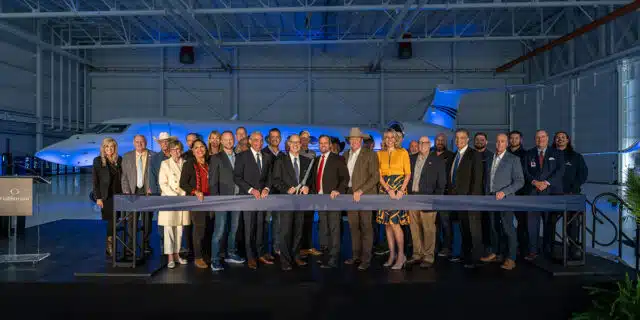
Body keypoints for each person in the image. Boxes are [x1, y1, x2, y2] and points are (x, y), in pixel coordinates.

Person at [479, 133, 524, 270]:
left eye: (502, 141)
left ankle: (511, 258)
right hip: (490, 198)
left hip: (506, 199)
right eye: (497, 141)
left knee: (507, 228)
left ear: (507, 143)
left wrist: (505, 192)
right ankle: (495, 253)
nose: (499, 144)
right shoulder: (489, 158)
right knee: (493, 227)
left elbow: (520, 181)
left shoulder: (513, 159)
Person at [233, 131, 274, 270]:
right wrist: (251, 190)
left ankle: (261, 253)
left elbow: (269, 176)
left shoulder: (267, 157)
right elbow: (237, 177)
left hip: (262, 199)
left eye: (261, 140)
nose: (259, 143)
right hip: (248, 198)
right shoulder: (242, 156)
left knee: (261, 227)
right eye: (256, 140)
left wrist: (267, 188)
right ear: (250, 141)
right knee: (249, 228)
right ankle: (251, 257)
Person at [522, 129, 565, 261]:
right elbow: (525, 171)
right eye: (538, 138)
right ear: (535, 139)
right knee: (532, 224)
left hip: (550, 193)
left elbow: (560, 170)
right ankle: (533, 251)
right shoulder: (529, 154)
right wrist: (535, 182)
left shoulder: (557, 153)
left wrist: (546, 183)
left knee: (549, 223)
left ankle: (548, 251)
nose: (540, 140)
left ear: (547, 138)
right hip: (533, 193)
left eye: (543, 137)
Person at [272, 134, 312, 271]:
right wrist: (286, 190)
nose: (295, 144)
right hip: (286, 200)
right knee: (286, 231)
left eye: (298, 142)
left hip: (301, 202)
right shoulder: (280, 161)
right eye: (292, 142)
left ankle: (296, 256)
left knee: (298, 231)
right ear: (288, 144)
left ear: (301, 144)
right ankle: (285, 260)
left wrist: (308, 187)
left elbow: (310, 181)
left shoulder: (306, 161)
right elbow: (276, 180)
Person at [342, 128, 379, 271]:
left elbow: (375, 176)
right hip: (349, 194)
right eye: (352, 139)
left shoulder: (370, 154)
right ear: (349, 141)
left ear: (361, 141)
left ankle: (366, 259)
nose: (354, 142)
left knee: (366, 227)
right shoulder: (345, 155)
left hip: (366, 194)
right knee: (353, 226)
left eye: (357, 139)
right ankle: (356, 255)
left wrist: (361, 190)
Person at [209, 131, 246, 271]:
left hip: (238, 198)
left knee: (234, 229)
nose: (229, 142)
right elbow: (212, 181)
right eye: (226, 140)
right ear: (221, 142)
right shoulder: (216, 158)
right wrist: (216, 200)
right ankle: (215, 259)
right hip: (222, 199)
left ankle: (231, 253)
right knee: (219, 230)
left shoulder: (239, 157)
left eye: (231, 139)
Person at [310, 135, 349, 268]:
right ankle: (325, 256)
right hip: (320, 199)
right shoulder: (316, 160)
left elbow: (345, 178)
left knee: (334, 229)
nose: (323, 145)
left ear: (330, 144)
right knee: (323, 229)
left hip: (333, 199)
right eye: (321, 143)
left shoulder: (338, 159)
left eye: (325, 143)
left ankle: (333, 258)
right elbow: (313, 179)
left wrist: (338, 190)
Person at [407, 136, 446, 269]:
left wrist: (435, 200)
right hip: (412, 198)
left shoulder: (437, 160)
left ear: (429, 145)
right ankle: (417, 254)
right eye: (420, 142)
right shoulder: (411, 158)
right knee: (414, 228)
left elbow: (441, 184)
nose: (422, 145)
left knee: (428, 229)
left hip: (428, 200)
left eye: (425, 143)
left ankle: (428, 256)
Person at [447, 128, 484, 268]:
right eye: (457, 138)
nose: (458, 140)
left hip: (469, 200)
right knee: (462, 229)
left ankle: (474, 259)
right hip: (455, 201)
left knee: (473, 230)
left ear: (467, 139)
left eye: (462, 138)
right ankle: (464, 256)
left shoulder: (474, 155)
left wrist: (472, 200)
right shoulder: (454, 156)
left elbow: (477, 179)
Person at [377, 128, 411, 270]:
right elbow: (378, 175)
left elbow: (408, 174)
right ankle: (392, 255)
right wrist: (388, 189)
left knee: (395, 223)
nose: (390, 139)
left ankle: (401, 256)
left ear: (396, 139)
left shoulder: (403, 152)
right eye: (387, 137)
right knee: (387, 224)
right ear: (384, 139)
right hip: (385, 189)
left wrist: (400, 190)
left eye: (392, 137)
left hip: (399, 189)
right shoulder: (379, 154)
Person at [553, 131, 588, 259]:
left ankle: (573, 249)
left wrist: (573, 189)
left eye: (563, 137)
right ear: (554, 140)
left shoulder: (576, 157)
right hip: (552, 195)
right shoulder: (549, 155)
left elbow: (583, 174)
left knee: (572, 224)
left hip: (571, 195)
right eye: (558, 138)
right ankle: (548, 248)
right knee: (549, 223)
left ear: (567, 140)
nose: (560, 139)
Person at [179, 139, 213, 269]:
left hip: (211, 200)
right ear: (192, 151)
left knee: (209, 228)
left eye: (202, 147)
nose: (200, 149)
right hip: (196, 200)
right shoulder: (189, 164)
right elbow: (183, 183)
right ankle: (198, 257)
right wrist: (195, 191)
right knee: (199, 229)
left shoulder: (210, 162)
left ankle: (206, 255)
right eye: (196, 147)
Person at [158, 140, 190, 269]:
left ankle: (177, 255)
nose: (176, 151)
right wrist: (174, 197)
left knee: (180, 229)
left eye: (178, 149)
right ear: (170, 151)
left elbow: (188, 181)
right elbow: (163, 183)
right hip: (169, 200)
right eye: (173, 149)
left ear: (181, 150)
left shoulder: (186, 163)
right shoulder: (165, 164)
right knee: (169, 229)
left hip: (183, 199)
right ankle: (170, 256)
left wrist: (183, 195)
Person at [121, 134, 153, 253]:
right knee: (131, 219)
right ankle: (131, 244)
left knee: (147, 219)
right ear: (133, 143)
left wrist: (152, 188)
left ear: (146, 142)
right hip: (132, 192)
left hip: (147, 192)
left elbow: (156, 175)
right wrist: (126, 191)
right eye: (137, 141)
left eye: (142, 141)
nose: (139, 143)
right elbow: (124, 177)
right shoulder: (127, 156)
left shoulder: (153, 156)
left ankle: (145, 244)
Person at [92, 137, 122, 257]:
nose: (109, 149)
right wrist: (98, 197)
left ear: (115, 148)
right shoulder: (98, 161)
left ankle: (113, 245)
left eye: (111, 146)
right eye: (107, 147)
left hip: (119, 195)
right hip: (106, 196)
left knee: (117, 220)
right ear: (103, 148)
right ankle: (109, 246)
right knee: (112, 220)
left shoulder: (119, 160)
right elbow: (95, 181)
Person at [433, 132, 456, 258]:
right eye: (438, 140)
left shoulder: (451, 156)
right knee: (434, 223)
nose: (440, 142)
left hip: (445, 194)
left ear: (445, 142)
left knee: (446, 223)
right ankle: (436, 246)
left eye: (442, 140)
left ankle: (447, 247)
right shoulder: (430, 154)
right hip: (432, 195)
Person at [299, 130, 321, 257]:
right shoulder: (295, 153)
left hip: (310, 192)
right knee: (298, 221)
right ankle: (299, 248)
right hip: (298, 193)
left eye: (307, 138)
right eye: (303, 138)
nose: (305, 140)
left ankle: (307, 246)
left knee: (309, 220)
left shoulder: (313, 154)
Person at [263, 128, 283, 258]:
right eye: (272, 137)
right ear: (268, 139)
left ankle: (277, 247)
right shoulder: (263, 153)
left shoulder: (283, 155)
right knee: (265, 222)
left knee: (278, 222)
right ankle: (264, 250)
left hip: (280, 193)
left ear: (280, 139)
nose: (275, 139)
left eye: (277, 137)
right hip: (266, 192)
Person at [508, 130, 528, 257]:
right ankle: (508, 247)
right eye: (512, 138)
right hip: (506, 192)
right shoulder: (504, 153)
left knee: (522, 222)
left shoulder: (526, 155)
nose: (514, 140)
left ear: (520, 140)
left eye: (516, 138)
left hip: (521, 192)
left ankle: (522, 248)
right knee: (506, 222)